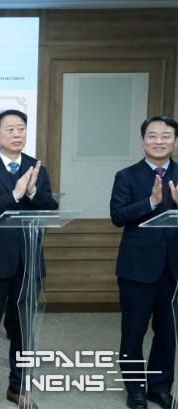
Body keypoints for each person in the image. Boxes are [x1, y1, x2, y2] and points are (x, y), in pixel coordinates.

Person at [0, 109, 57, 409]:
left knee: (22, 329)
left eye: (21, 129)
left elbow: (50, 208)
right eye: (10, 129)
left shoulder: (35, 167)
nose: (17, 134)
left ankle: (18, 386)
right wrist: (15, 195)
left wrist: (33, 192)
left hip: (28, 261)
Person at [110, 115, 178, 409]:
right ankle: (135, 388)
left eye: (166, 136)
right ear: (142, 140)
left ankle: (160, 387)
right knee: (133, 331)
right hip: (137, 267)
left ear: (175, 141)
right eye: (152, 135)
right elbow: (117, 216)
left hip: (174, 267)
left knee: (168, 333)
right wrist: (150, 202)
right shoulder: (126, 176)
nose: (159, 141)